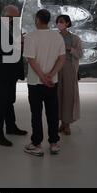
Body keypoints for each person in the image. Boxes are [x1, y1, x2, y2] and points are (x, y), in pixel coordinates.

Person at [23, 9, 65, 156]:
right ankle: (54, 143)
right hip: (52, 82)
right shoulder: (57, 37)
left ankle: (37, 143)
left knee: (36, 113)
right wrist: (50, 75)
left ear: (37, 20)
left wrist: (41, 76)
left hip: (35, 83)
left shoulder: (31, 36)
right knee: (52, 113)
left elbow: (31, 59)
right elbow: (62, 58)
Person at [0, 5, 27, 147]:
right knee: (1, 103)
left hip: (11, 72)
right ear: (4, 16)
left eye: (16, 17)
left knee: (9, 100)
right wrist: (18, 44)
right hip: (2, 73)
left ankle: (11, 126)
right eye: (11, 17)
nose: (14, 20)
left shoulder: (12, 29)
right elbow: (2, 50)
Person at [56, 15, 83, 135]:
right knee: (57, 96)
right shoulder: (54, 37)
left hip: (69, 69)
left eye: (61, 22)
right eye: (58, 22)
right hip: (56, 69)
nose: (59, 24)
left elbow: (80, 54)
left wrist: (69, 48)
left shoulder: (75, 38)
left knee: (68, 96)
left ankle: (66, 124)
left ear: (67, 23)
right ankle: (61, 122)